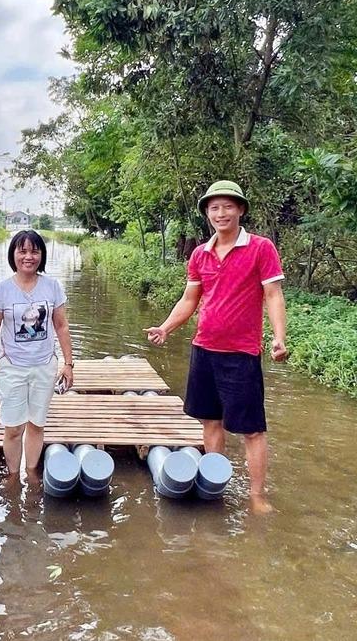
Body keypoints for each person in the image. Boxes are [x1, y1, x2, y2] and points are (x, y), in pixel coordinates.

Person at [145, 180, 287, 514]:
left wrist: (279, 337)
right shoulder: (200, 254)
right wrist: (166, 327)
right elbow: (190, 299)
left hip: (241, 354)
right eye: (214, 208)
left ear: (240, 210)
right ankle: (214, 486)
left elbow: (273, 295)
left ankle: (256, 496)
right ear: (207, 214)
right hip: (204, 350)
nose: (220, 213)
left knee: (251, 429)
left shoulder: (260, 248)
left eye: (227, 206)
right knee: (210, 423)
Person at [0, 230, 74, 476]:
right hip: (12, 367)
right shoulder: (1, 290)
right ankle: (12, 475)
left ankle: (30, 473)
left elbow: (61, 325)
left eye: (34, 251)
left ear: (41, 255)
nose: (28, 256)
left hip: (44, 366)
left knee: (37, 424)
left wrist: (68, 364)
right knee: (13, 428)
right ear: (13, 255)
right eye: (23, 251)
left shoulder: (52, 286)